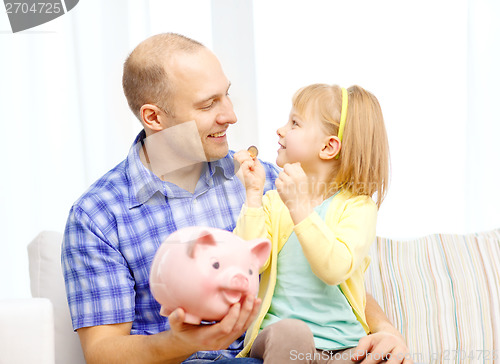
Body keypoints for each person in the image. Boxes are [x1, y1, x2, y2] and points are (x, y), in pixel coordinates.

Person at [61, 33, 411, 364]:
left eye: (226, 94)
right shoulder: (98, 216)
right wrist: (183, 341)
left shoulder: (270, 181)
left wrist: (385, 330)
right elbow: (103, 351)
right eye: (209, 103)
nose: (230, 115)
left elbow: (326, 275)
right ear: (154, 117)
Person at [233, 84, 410, 363]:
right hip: (283, 341)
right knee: (292, 333)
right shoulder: (273, 201)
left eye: (295, 123)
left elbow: (335, 269)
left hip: (344, 345)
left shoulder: (358, 207)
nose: (281, 130)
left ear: (328, 147)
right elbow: (245, 264)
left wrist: (300, 208)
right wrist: (253, 195)